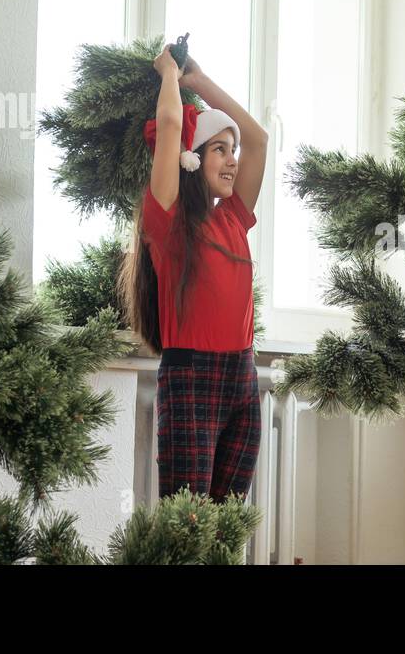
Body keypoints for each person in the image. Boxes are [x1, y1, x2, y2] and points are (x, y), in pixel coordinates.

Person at [120, 43, 269, 502]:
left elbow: (259, 138)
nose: (233, 160)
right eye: (219, 150)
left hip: (242, 377)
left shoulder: (234, 218)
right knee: (187, 522)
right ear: (191, 159)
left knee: (225, 523)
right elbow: (169, 126)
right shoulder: (168, 224)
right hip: (191, 380)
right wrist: (168, 74)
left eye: (232, 150)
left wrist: (201, 82)